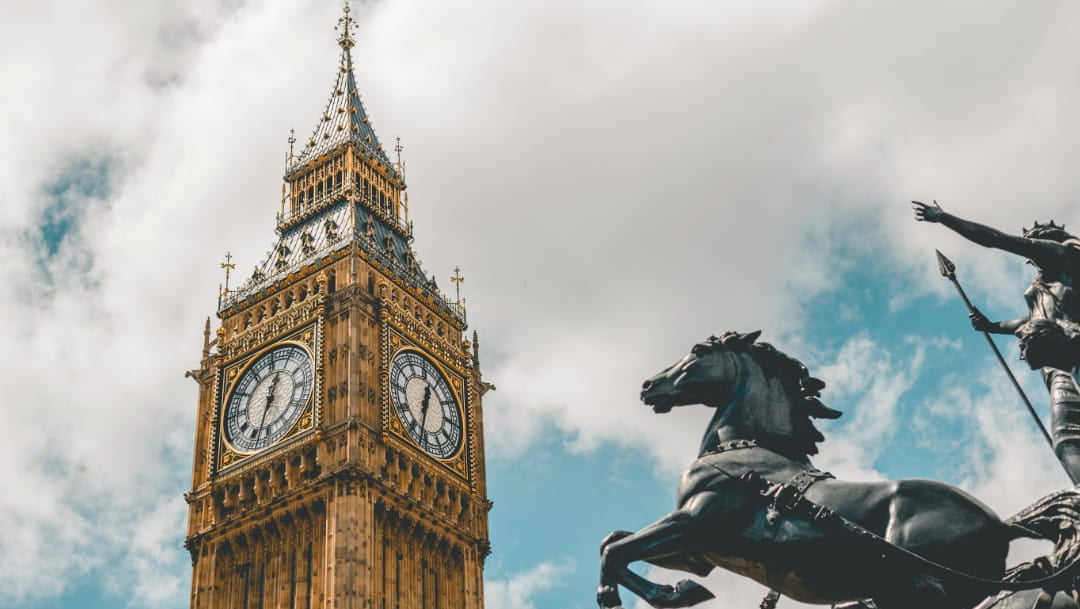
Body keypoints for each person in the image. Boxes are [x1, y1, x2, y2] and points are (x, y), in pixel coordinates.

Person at [913, 200, 1080, 479]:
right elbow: (1033, 319)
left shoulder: (1061, 256)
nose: (1030, 251)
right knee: (1066, 440)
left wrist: (944, 218)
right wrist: (992, 326)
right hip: (1056, 367)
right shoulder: (1044, 284)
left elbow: (994, 239)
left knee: (1069, 437)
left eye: (1033, 243)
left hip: (1074, 347)